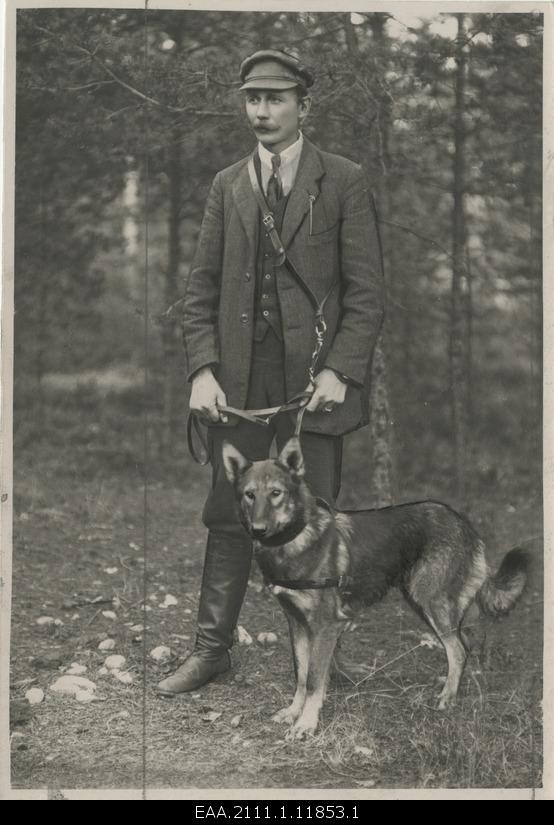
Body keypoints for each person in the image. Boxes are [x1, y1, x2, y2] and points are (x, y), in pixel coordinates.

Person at [157, 49, 384, 695]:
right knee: (230, 515)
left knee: (315, 516)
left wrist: (341, 368)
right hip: (239, 390)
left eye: (275, 98)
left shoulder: (343, 179)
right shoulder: (228, 184)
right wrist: (203, 368)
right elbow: (199, 292)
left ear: (303, 106)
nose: (261, 110)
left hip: (317, 388)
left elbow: (366, 293)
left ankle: (319, 661)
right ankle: (211, 650)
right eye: (252, 97)